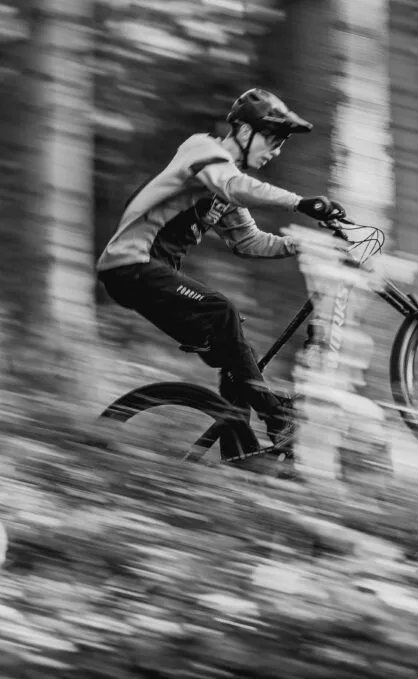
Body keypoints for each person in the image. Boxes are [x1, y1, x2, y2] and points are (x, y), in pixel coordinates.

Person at [96, 88, 346, 452]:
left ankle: (242, 454)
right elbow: (235, 185)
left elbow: (249, 242)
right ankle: (276, 419)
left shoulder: (223, 190)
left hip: (146, 276)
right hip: (130, 265)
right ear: (243, 132)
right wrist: (299, 203)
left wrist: (305, 245)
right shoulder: (202, 151)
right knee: (221, 310)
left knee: (237, 351)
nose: (276, 151)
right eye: (272, 139)